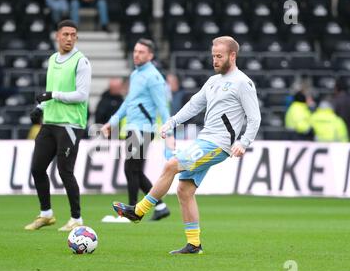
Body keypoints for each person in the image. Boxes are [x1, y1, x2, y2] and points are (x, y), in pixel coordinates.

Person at [111, 36, 261, 254]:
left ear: (232, 56)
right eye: (213, 56)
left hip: (219, 144)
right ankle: (194, 244)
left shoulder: (242, 83)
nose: (215, 61)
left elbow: (254, 118)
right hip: (205, 140)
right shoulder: (212, 81)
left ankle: (139, 211)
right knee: (184, 190)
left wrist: (244, 142)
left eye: (219, 56)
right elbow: (194, 105)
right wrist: (172, 121)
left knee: (171, 165)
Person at [25, 20, 92, 231]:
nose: (69, 38)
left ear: (77, 38)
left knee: (65, 171)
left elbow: (81, 95)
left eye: (73, 35)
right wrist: (42, 108)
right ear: (57, 36)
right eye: (66, 34)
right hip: (51, 122)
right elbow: (50, 89)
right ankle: (46, 214)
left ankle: (76, 219)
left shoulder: (82, 62)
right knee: (37, 168)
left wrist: (52, 95)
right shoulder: (53, 59)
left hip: (71, 124)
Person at [101, 38, 172, 221]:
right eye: (135, 50)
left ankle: (130, 213)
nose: (136, 54)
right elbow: (128, 102)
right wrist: (112, 122)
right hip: (134, 128)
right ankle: (160, 206)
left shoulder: (153, 77)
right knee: (136, 170)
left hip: (142, 129)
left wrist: (168, 131)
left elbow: (162, 106)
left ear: (150, 55)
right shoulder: (135, 75)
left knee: (130, 168)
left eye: (141, 52)